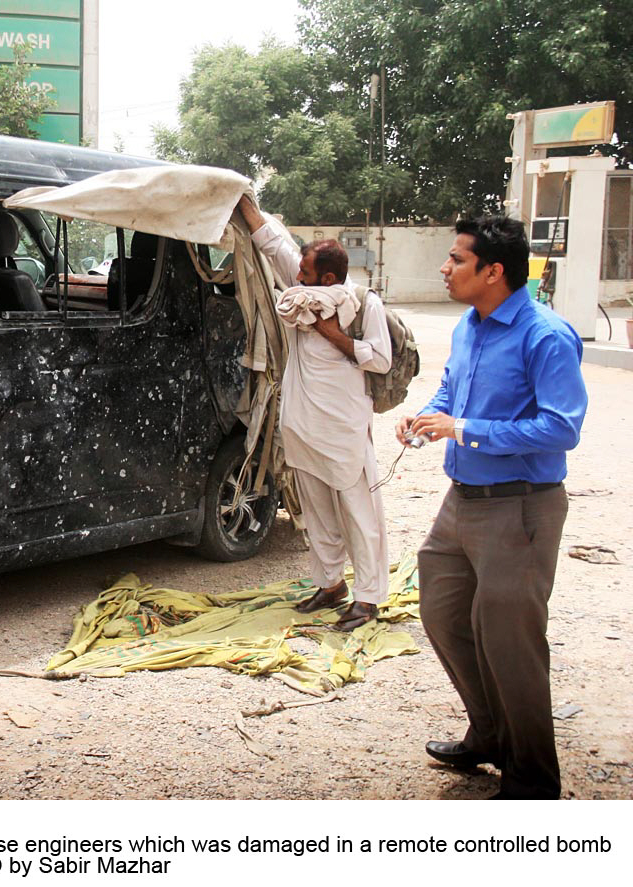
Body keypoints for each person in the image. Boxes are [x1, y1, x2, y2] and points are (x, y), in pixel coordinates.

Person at [397, 215, 587, 800]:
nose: (445, 267)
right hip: (462, 503)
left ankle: (532, 779)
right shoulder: (469, 326)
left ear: (494, 271)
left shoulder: (545, 335)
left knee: (511, 642)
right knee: (445, 613)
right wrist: (430, 419)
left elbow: (561, 427)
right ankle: (489, 734)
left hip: (520, 507)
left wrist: (466, 430)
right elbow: (454, 391)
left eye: (457, 259)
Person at [235, 195, 392, 631]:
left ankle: (368, 597)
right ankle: (330, 584)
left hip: (343, 430)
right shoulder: (302, 294)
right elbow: (269, 242)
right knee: (318, 512)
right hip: (303, 427)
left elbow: (380, 360)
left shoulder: (364, 304)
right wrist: (241, 196)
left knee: (359, 514)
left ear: (326, 277)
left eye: (304, 274)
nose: (295, 278)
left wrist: (332, 334)